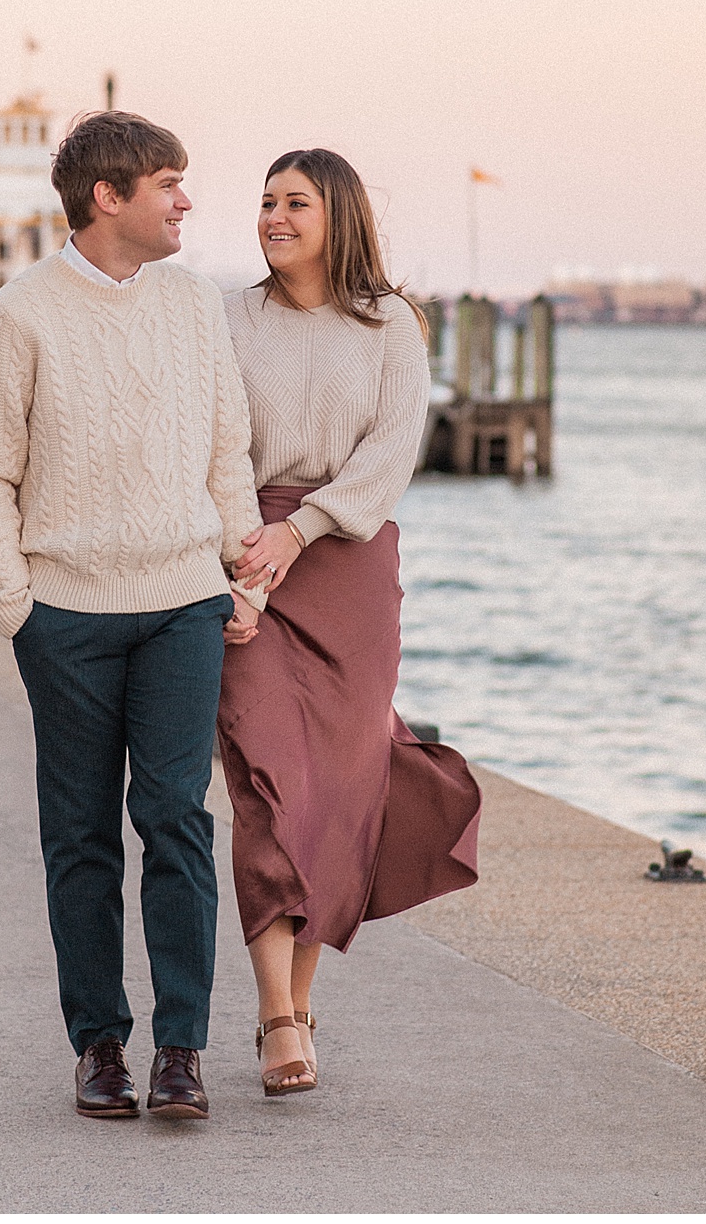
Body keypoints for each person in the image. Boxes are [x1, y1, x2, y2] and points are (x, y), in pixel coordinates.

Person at [0, 111, 268, 1121]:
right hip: (68, 616)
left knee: (175, 818)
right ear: (109, 198)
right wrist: (16, 604)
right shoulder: (19, 315)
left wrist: (243, 571)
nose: (186, 201)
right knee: (82, 835)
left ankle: (181, 1048)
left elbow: (229, 448)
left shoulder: (193, 304)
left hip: (183, 602)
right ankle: (99, 1043)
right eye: (168, 184)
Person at [217, 148, 482, 1096]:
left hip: (349, 569)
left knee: (337, 786)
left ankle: (298, 996)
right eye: (264, 202)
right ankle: (277, 1013)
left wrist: (308, 528)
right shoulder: (228, 318)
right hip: (246, 558)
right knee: (263, 781)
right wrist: (247, 556)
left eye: (293, 202)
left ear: (337, 214)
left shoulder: (390, 328)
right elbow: (211, 446)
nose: (273, 217)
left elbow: (387, 456)